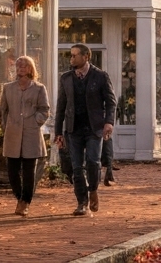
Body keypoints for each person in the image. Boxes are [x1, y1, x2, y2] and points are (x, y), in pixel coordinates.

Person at [54, 44, 116, 216]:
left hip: (94, 128)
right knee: (76, 167)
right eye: (71, 56)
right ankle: (82, 202)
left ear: (86, 57)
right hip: (73, 128)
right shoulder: (66, 78)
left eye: (75, 55)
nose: (71, 59)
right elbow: (61, 106)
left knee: (92, 162)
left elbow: (111, 102)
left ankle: (93, 189)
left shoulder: (100, 76)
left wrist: (109, 122)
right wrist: (58, 132)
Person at [1, 55, 49, 217]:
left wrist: (36, 121)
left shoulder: (39, 88)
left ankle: (25, 202)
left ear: (31, 69)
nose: (21, 68)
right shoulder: (8, 88)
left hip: (31, 133)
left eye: (24, 66)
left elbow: (44, 109)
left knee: (29, 170)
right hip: (13, 133)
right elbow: (3, 110)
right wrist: (6, 125)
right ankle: (19, 197)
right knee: (12, 171)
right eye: (18, 66)